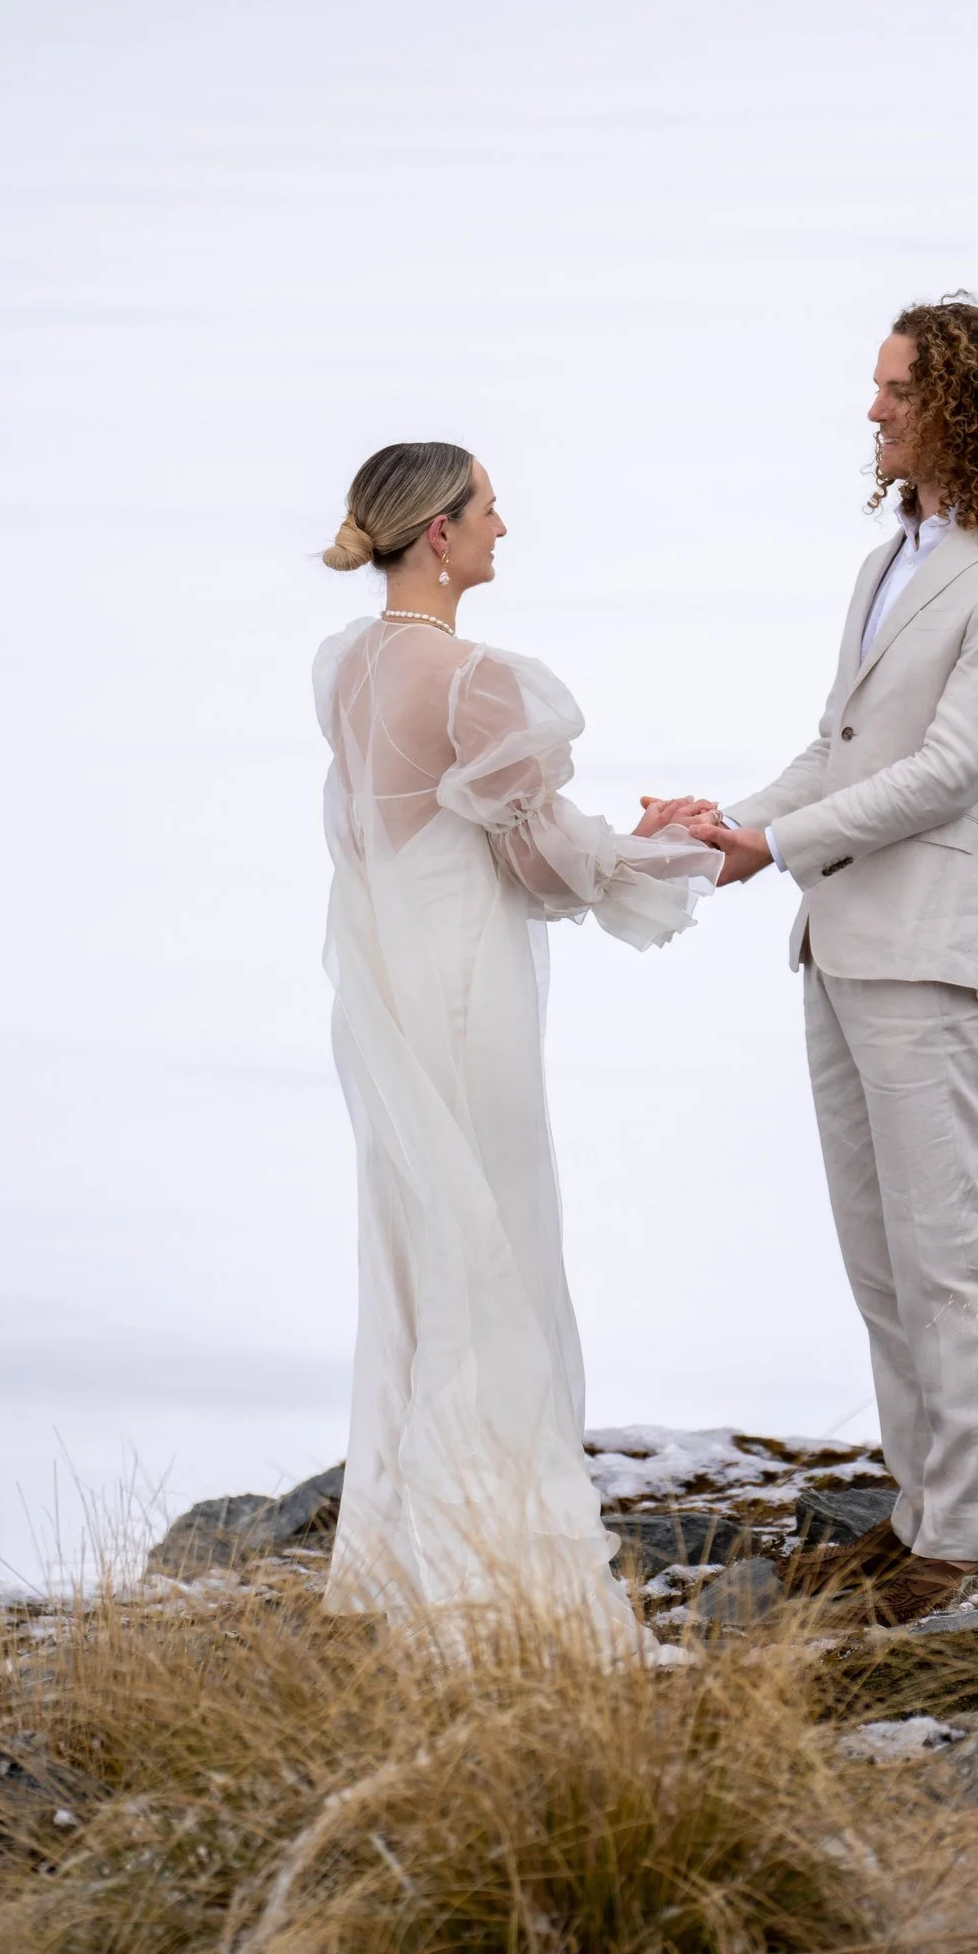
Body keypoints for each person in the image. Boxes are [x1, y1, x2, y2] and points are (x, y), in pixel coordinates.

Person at [644, 297, 978, 1629]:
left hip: (925, 947)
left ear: (961, 404)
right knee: (879, 1254)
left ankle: (969, 1536)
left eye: (896, 388)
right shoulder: (893, 557)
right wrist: (729, 822)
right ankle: (918, 1515)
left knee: (943, 1248)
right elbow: (841, 745)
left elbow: (946, 775)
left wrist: (774, 843)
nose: (874, 408)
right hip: (837, 941)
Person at [314, 439, 715, 1634]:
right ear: (437, 530)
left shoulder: (343, 666)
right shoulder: (474, 680)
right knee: (496, 1245)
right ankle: (498, 1567)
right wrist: (670, 842)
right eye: (488, 506)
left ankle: (402, 1547)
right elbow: (540, 862)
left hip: (388, 995)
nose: (505, 524)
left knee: (425, 1250)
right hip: (466, 996)